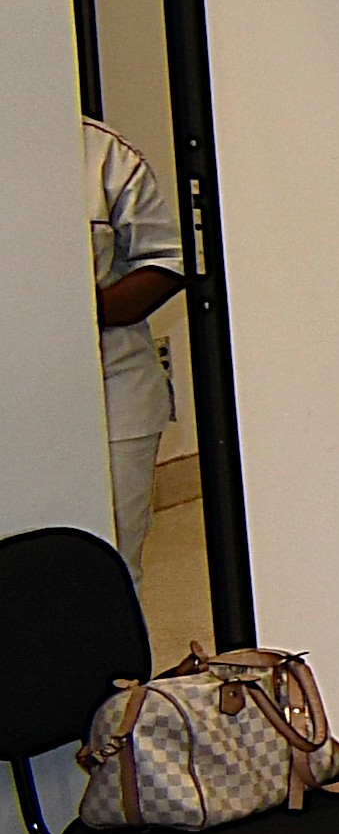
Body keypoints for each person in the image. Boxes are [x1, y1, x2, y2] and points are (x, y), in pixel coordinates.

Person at [83, 112, 182, 574]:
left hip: (111, 389)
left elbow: (168, 262)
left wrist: (70, 312)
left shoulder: (103, 154)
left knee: (112, 562)